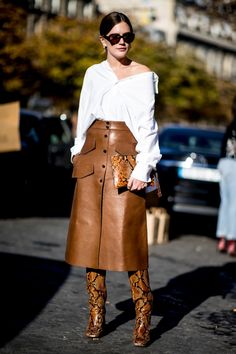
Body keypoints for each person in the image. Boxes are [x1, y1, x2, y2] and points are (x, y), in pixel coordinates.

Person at [65, 12, 161, 347]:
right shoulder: (93, 74)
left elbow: (148, 127)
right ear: (103, 40)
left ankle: (143, 317)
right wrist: (77, 151)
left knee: (131, 241)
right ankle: (95, 313)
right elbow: (85, 111)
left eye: (128, 36)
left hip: (126, 156)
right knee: (90, 240)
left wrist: (143, 167)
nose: (123, 42)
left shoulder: (143, 75)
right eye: (116, 36)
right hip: (92, 154)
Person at [216, 95, 236, 257]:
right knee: (234, 204)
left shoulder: (230, 125)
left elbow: (223, 147)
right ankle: (232, 240)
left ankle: (222, 237)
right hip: (234, 165)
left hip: (224, 163)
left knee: (225, 202)